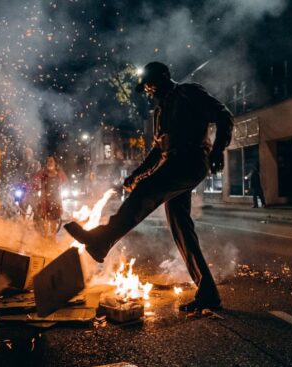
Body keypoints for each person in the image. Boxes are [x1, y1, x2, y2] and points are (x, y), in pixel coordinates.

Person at [65, 62, 234, 312]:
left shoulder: (188, 92)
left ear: (165, 76)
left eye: (151, 83)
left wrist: (218, 149)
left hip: (189, 162)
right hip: (172, 165)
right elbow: (157, 152)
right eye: (146, 87)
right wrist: (135, 175)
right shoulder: (159, 113)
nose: (149, 90)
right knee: (182, 231)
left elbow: (224, 116)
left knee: (146, 192)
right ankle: (208, 293)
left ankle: (102, 241)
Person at [33, 156, 67, 237]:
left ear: (55, 163)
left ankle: (52, 238)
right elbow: (34, 179)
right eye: (48, 161)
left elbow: (65, 181)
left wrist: (60, 186)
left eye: (51, 161)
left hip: (56, 200)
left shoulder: (59, 172)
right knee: (45, 220)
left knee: (54, 221)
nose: (49, 163)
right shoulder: (43, 173)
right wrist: (37, 187)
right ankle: (45, 238)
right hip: (45, 201)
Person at [19, 147, 41, 216]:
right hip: (23, 190)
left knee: (36, 211)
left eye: (28, 153)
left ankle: (37, 224)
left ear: (31, 154)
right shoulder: (21, 164)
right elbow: (18, 176)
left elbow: (38, 174)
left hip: (33, 190)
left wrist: (31, 176)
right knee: (22, 210)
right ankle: (23, 224)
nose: (26, 155)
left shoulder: (36, 163)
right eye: (25, 153)